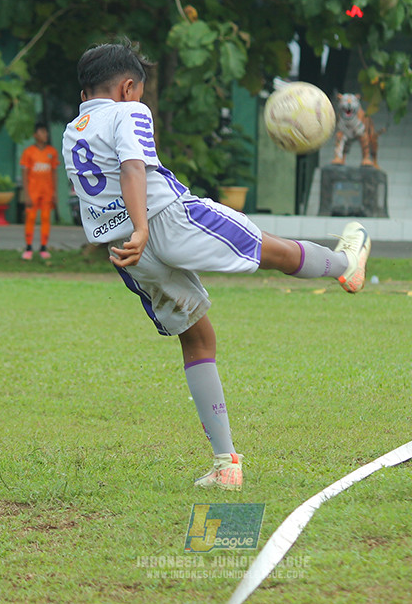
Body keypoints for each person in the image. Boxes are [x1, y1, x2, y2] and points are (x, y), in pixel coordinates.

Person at [62, 40, 370, 491]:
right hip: (167, 219)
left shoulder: (73, 130)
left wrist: (135, 234)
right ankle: (345, 264)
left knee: (197, 337)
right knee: (268, 249)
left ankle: (226, 464)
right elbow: (133, 166)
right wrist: (145, 225)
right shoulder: (129, 111)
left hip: (126, 250)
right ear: (129, 87)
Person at [20, 122, 60, 260]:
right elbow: (24, 174)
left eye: (46, 132)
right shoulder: (28, 152)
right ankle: (28, 247)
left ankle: (43, 247)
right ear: (35, 135)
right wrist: (26, 194)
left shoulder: (51, 152)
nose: (45, 135)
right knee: (30, 218)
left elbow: (54, 173)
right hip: (33, 191)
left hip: (47, 191)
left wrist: (55, 192)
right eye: (42, 132)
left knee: (45, 218)